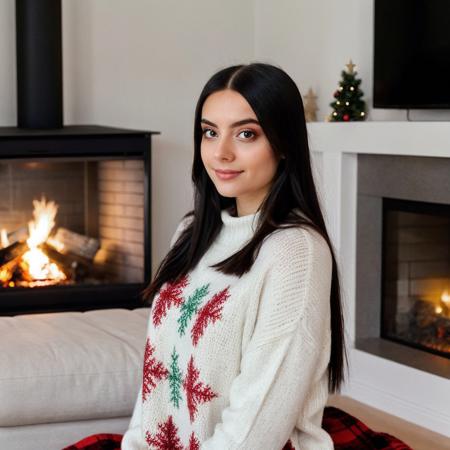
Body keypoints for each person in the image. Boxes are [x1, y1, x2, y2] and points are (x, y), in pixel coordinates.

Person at [122, 62, 347, 450]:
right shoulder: (192, 233)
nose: (221, 153)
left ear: (284, 144)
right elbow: (155, 380)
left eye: (246, 134)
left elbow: (258, 426)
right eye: (210, 132)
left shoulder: (296, 252)